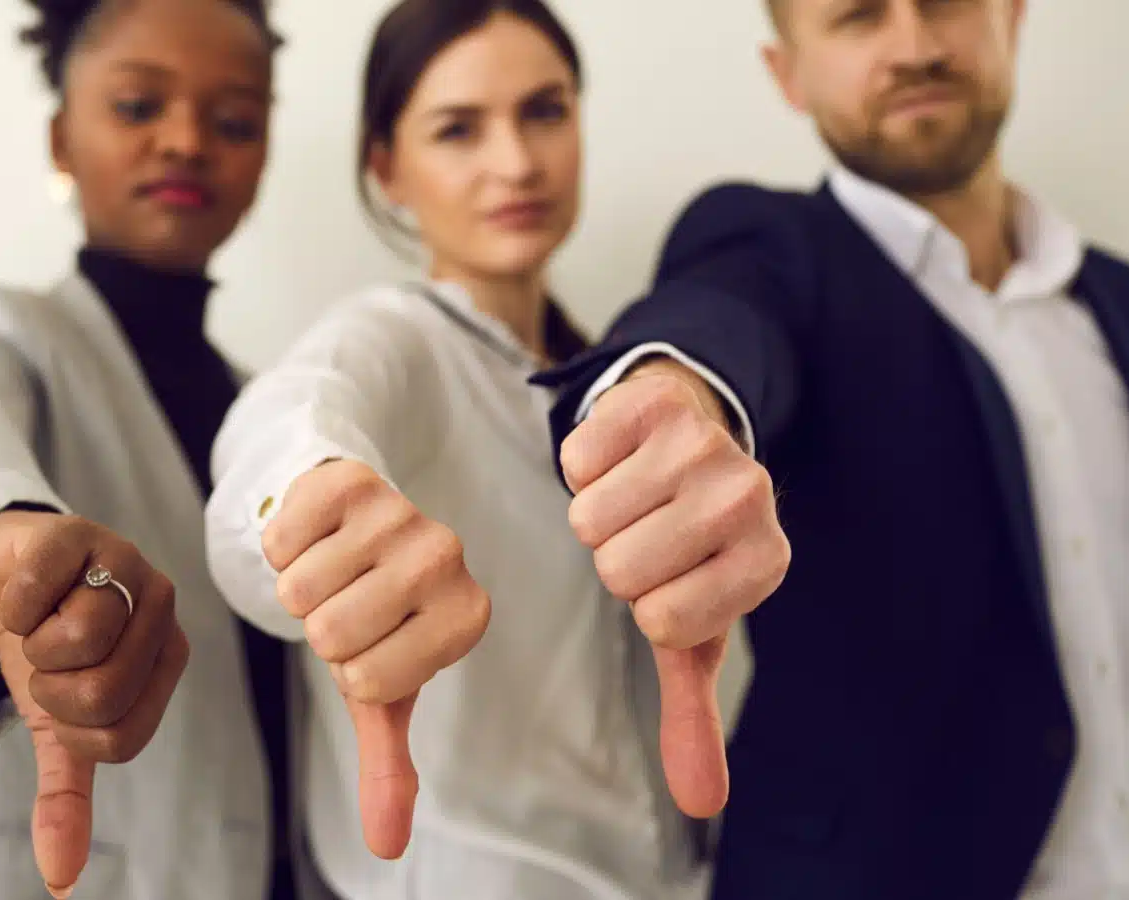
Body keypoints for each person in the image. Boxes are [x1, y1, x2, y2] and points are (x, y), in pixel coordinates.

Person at [535, 0, 1129, 897]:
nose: (913, 46)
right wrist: (671, 389)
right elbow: (717, 318)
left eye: (943, 2)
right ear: (789, 73)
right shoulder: (773, 248)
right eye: (858, 17)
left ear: (1010, 19)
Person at [204, 1, 789, 897]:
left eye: (544, 112)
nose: (515, 162)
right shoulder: (395, 339)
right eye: (458, 130)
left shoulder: (615, 381)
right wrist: (306, 509)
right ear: (387, 167)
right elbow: (285, 427)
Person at [0, 1, 312, 898]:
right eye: (137, 106)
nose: (186, 141)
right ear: (60, 137)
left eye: (234, 119)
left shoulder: (275, 408)